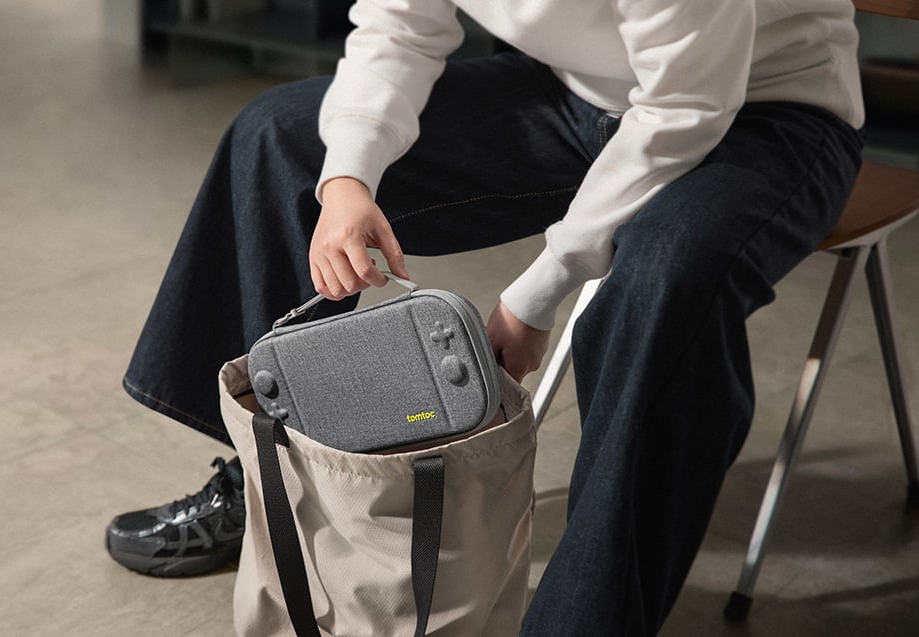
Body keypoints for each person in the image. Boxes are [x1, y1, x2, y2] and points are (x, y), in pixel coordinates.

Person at [105, 1, 866, 634]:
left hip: (768, 114)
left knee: (666, 278)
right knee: (281, 141)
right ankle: (276, 492)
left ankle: (589, 621)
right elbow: (400, 23)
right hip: (580, 95)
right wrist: (346, 180)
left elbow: (688, 105)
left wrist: (539, 291)